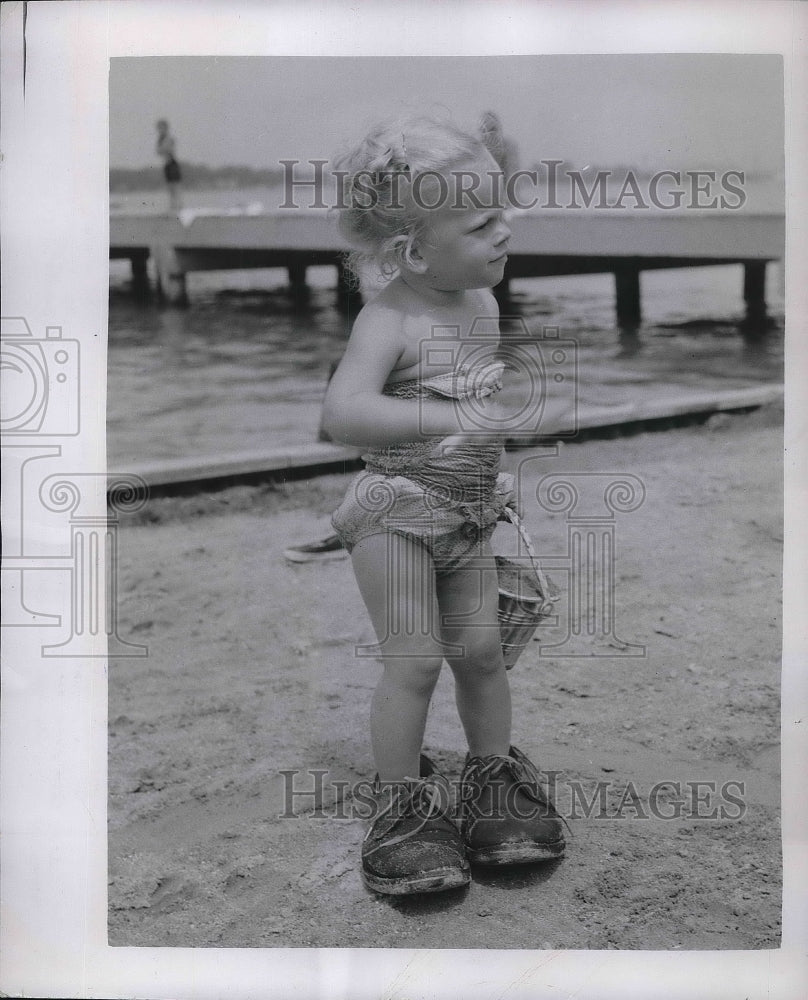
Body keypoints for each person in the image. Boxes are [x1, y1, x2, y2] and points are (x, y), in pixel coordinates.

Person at [321, 114, 565, 896]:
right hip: (393, 515)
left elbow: (479, 413)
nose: (507, 230)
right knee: (416, 662)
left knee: (481, 653)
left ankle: (492, 783)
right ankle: (402, 809)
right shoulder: (387, 319)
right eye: (483, 220)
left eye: (505, 211)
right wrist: (452, 418)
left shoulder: (479, 306)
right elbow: (345, 414)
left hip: (466, 514)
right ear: (413, 250)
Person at [155, 119, 183, 212]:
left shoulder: (168, 138)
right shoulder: (161, 139)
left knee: (175, 186)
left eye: (161, 128)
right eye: (159, 128)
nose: (159, 130)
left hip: (172, 163)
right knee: (170, 187)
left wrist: (163, 149)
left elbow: (167, 150)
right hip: (167, 164)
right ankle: (173, 205)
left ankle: (178, 206)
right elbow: (159, 151)